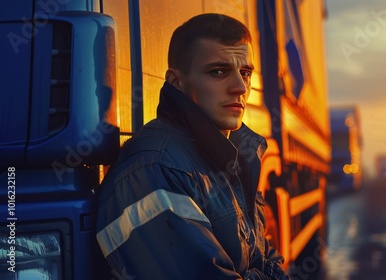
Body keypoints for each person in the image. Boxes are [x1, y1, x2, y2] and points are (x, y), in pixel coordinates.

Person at [96, 13, 290, 280]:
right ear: (176, 81)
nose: (240, 87)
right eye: (218, 72)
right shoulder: (156, 169)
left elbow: (263, 255)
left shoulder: (229, 153)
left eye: (245, 72)